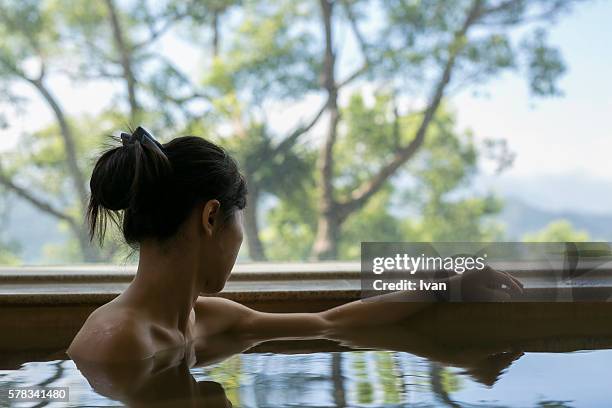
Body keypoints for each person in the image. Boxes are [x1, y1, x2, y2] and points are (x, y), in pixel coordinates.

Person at [67, 127, 523, 363]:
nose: (240, 240)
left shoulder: (198, 320)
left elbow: (328, 323)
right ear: (211, 218)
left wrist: (444, 283)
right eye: (239, 220)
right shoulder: (118, 344)